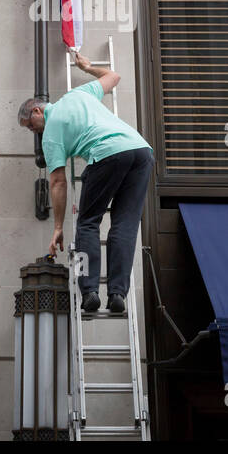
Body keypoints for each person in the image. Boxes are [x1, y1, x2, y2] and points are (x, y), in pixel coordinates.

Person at [17, 52, 154, 314]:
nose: (32, 131)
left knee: (88, 223)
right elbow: (113, 76)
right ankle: (117, 295)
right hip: (141, 151)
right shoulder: (78, 94)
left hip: (107, 154)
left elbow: (57, 181)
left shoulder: (51, 136)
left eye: (30, 125)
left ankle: (89, 291)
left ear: (37, 110)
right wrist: (88, 67)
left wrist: (57, 226)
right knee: (125, 226)